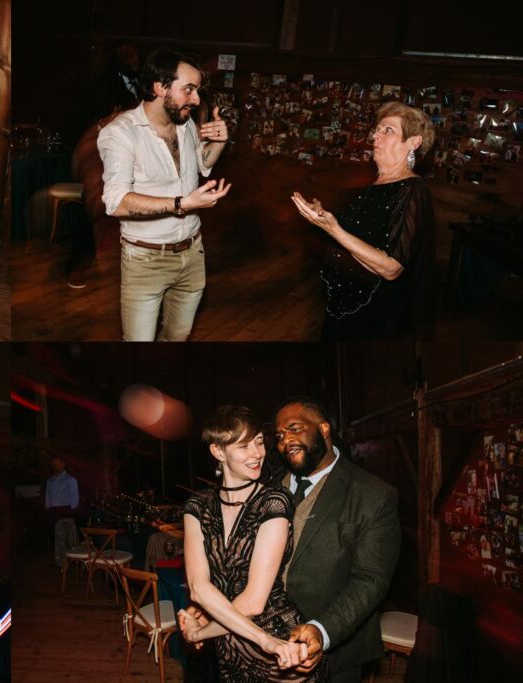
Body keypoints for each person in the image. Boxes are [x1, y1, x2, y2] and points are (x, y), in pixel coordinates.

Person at [96, 47, 231, 341]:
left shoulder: (184, 125)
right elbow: (116, 202)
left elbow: (203, 165)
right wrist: (183, 204)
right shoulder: (120, 134)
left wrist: (219, 143)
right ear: (160, 87)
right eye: (189, 90)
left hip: (193, 254)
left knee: (177, 340)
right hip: (145, 260)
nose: (196, 100)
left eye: (197, 91)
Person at [178, 405, 318, 681]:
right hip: (228, 649)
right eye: (244, 446)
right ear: (218, 452)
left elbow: (254, 602)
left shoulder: (273, 502)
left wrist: (198, 632)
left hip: (278, 647)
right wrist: (203, 624)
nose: (258, 454)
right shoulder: (197, 506)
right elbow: (198, 587)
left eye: (259, 442)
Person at [271, 397, 400, 682]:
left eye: (294, 429)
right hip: (264, 645)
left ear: (324, 429)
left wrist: (322, 629)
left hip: (334, 652)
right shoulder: (266, 487)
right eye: (279, 435)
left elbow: (370, 578)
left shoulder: (373, 495)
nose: (286, 441)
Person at [290, 102, 437, 340]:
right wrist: (322, 215)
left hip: (374, 317)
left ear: (413, 142)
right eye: (377, 129)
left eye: (388, 130)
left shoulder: (412, 190)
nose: (375, 135)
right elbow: (359, 235)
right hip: (344, 307)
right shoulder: (375, 186)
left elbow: (391, 268)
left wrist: (334, 229)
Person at [45, 455, 79, 568]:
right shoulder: (50, 481)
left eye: (57, 464)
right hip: (55, 512)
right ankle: (60, 562)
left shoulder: (71, 479)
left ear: (63, 464)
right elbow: (48, 496)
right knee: (58, 538)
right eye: (53, 464)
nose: (54, 466)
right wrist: (48, 509)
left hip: (67, 511)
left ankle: (73, 562)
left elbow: (75, 497)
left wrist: (72, 511)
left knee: (70, 538)